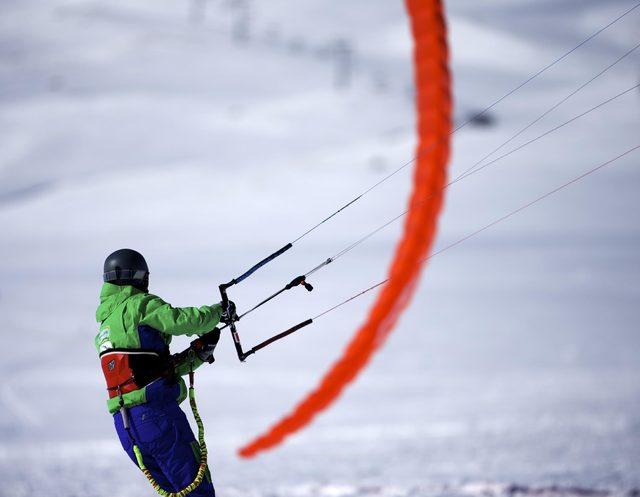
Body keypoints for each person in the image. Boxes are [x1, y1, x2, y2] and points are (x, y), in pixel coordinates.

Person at [95, 248, 235, 496]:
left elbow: (144, 372)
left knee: (174, 491)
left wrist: (196, 356)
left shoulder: (105, 328)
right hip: (157, 418)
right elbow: (181, 320)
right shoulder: (138, 304)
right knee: (197, 490)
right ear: (138, 276)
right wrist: (218, 312)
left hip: (127, 429)